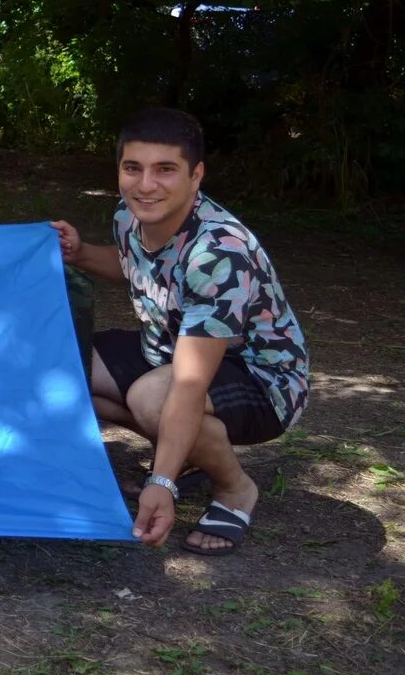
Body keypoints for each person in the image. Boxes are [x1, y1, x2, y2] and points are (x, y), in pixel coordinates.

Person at [51, 108, 308, 556]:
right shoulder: (129, 215)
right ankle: (189, 450)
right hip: (170, 351)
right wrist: (81, 253)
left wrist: (160, 482)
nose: (145, 185)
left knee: (155, 399)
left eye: (165, 170)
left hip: (262, 379)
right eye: (133, 168)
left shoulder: (218, 251)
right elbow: (135, 265)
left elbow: (189, 385)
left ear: (196, 175)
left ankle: (234, 489)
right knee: (58, 365)